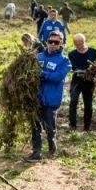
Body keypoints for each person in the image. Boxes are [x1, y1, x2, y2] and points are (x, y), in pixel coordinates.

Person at [26, 30, 71, 162]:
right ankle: (36, 152)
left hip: (51, 99)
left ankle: (52, 145)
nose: (52, 44)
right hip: (36, 97)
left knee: (49, 127)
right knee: (35, 126)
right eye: (50, 41)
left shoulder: (64, 60)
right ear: (46, 41)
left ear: (61, 43)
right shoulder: (38, 56)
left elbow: (57, 77)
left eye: (56, 42)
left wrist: (42, 74)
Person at [68, 33, 96, 131]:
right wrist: (86, 69)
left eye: (81, 43)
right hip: (77, 81)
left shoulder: (93, 51)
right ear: (74, 44)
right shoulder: (72, 54)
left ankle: (87, 126)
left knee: (88, 104)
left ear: (84, 41)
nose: (80, 46)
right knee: (73, 101)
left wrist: (92, 69)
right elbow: (74, 68)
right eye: (77, 44)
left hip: (89, 82)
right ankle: (72, 125)